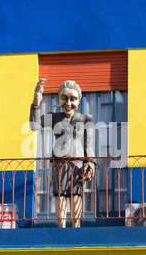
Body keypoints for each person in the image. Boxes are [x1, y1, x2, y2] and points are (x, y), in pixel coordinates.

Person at [29, 79, 96, 228]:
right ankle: (61, 228)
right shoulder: (55, 118)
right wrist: (36, 102)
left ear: (78, 101)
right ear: (59, 98)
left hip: (78, 164)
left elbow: (89, 144)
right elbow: (34, 125)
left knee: (76, 195)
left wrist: (90, 163)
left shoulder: (86, 119)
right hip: (58, 164)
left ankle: (76, 228)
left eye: (73, 99)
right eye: (64, 98)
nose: (68, 103)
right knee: (60, 195)